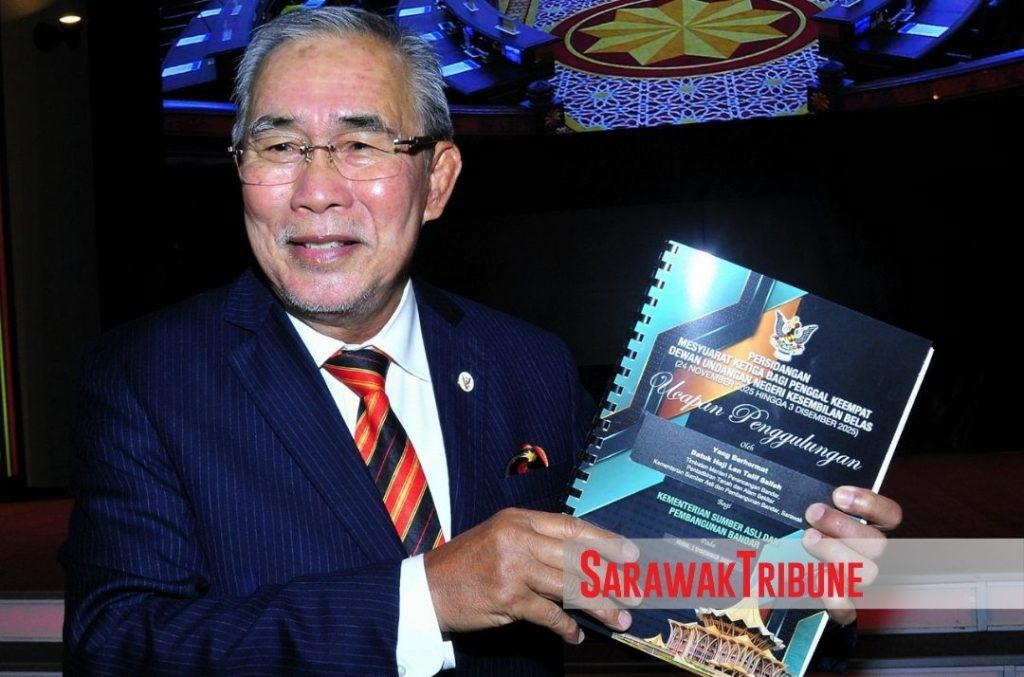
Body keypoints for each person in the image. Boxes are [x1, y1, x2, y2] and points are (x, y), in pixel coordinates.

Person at [60, 7, 902, 675]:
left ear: (437, 181)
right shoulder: (144, 380)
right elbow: (116, 644)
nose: (316, 190)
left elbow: (635, 588)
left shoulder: (527, 364)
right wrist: (423, 598)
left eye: (362, 143)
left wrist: (798, 590)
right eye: (279, 145)